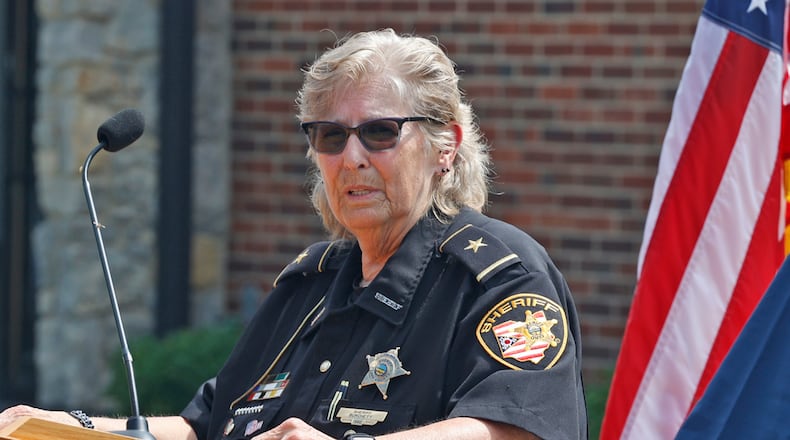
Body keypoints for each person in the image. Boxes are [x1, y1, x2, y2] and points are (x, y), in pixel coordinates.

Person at [0, 29, 587, 440]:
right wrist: (57, 427)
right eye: (330, 137)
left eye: (380, 132)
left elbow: (516, 428)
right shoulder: (311, 283)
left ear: (446, 146)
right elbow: (204, 426)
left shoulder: (498, 275)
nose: (352, 156)